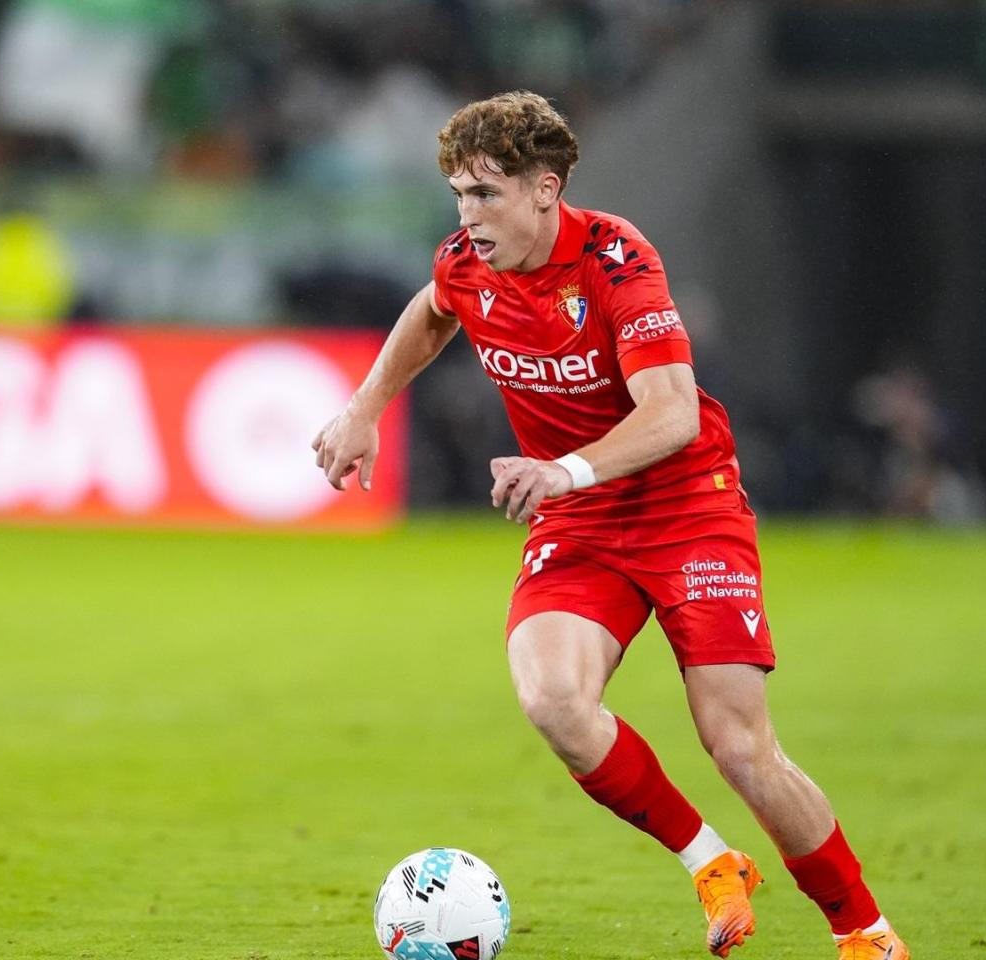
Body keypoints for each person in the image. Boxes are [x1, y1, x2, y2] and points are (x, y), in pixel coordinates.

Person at [312, 91, 908, 959]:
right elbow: (433, 308)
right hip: (583, 517)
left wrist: (563, 469)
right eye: (459, 195)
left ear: (545, 189)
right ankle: (713, 863)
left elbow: (672, 412)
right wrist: (366, 406)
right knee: (553, 700)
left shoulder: (616, 261)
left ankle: (864, 932)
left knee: (738, 746)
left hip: (686, 505)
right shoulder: (467, 262)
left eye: (486, 194)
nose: (467, 216)